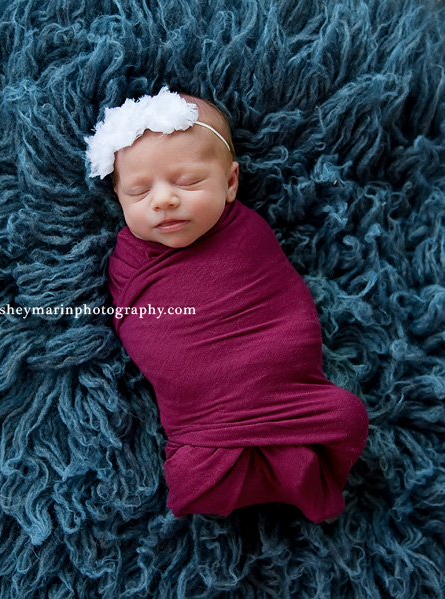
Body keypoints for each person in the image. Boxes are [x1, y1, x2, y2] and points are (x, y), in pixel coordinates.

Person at [86, 87, 369, 522]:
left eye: (187, 181)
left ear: (231, 182)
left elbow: (283, 309)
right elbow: (136, 323)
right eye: (139, 193)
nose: (163, 200)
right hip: (202, 422)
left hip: (279, 389)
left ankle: (289, 459)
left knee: (345, 417)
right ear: (120, 201)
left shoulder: (247, 235)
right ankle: (255, 461)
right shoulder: (128, 260)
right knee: (195, 477)